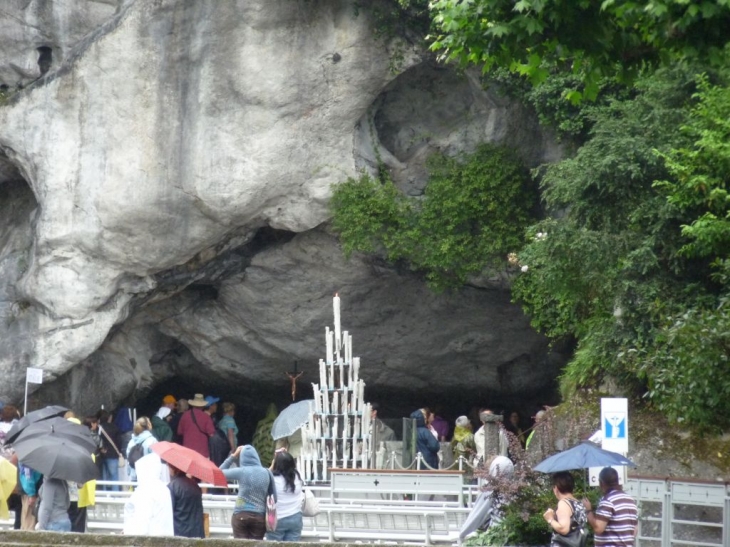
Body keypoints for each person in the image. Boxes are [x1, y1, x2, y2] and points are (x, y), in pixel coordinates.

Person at [219, 444, 276, 539]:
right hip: (259, 516)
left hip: (241, 514)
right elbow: (274, 496)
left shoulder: (242, 471)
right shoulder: (267, 473)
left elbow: (219, 473)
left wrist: (233, 456)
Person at [583, 467, 638, 546]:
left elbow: (598, 528)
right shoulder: (630, 500)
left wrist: (588, 510)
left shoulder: (608, 501)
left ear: (602, 483)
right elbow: (634, 530)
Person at [123, 453, 174, 536]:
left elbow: (142, 523)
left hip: (150, 538)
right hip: (165, 537)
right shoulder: (164, 489)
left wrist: (128, 532)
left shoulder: (146, 490)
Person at [265, 450, 303, 541]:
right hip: (296, 517)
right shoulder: (298, 476)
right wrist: (285, 455)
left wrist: (274, 462)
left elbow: (263, 474)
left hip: (277, 518)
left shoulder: (272, 478)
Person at [543, 471, 588, 547]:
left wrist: (550, 519)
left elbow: (563, 529)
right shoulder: (578, 503)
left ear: (556, 488)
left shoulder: (563, 503)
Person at [167, 462, 205, 538]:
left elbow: (169, 511)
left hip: (180, 532)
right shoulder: (195, 485)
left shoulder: (172, 487)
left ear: (173, 469)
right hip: (197, 532)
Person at [177, 393, 215, 458]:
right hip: (202, 452)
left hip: (187, 451)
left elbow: (179, 432)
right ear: (203, 406)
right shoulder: (206, 417)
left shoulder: (185, 415)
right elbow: (212, 434)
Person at [97, 409, 123, 491]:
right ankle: (116, 494)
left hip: (101, 454)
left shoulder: (99, 428)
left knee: (104, 476)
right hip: (113, 454)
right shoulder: (114, 427)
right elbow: (119, 441)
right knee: (114, 475)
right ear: (109, 418)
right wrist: (119, 452)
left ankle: (105, 493)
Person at [126, 417, 158, 481]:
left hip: (134, 475)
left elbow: (128, 457)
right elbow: (156, 459)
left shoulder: (131, 441)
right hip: (148, 476)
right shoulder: (152, 441)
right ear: (149, 426)